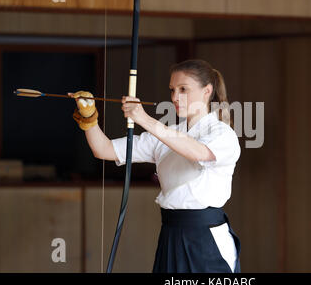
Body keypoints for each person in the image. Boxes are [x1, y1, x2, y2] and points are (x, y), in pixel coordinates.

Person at [69, 59, 241, 273]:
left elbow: (198, 153)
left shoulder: (222, 134)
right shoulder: (166, 135)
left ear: (207, 91)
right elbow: (103, 149)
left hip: (206, 239)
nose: (175, 97)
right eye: (172, 90)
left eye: (183, 89)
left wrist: (143, 118)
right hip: (170, 234)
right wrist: (89, 117)